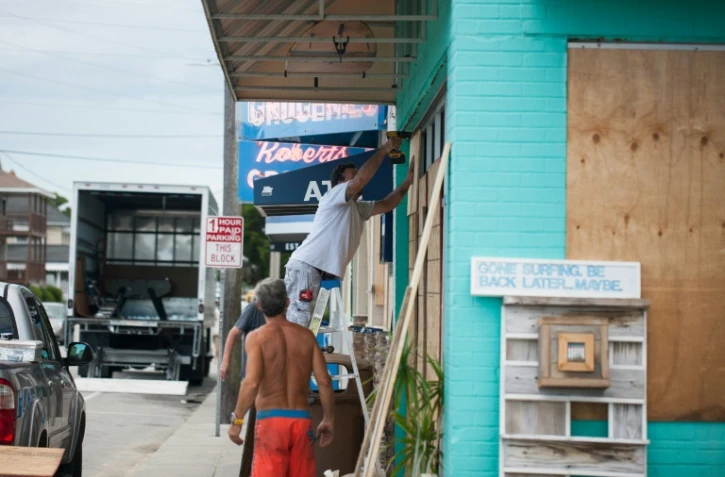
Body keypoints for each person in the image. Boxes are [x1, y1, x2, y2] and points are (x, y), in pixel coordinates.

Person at [284, 136, 414, 327]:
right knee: (299, 321)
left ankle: (301, 356)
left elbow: (387, 204)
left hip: (319, 272)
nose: (359, 179)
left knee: (307, 324)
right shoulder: (333, 196)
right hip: (306, 266)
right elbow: (361, 181)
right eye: (353, 175)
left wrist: (408, 182)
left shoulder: (357, 208)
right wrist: (385, 149)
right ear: (341, 183)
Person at [227, 278, 335, 477]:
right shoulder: (306, 337)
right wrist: (328, 419)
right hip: (301, 421)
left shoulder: (256, 338)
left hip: (271, 422)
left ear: (258, 306)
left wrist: (237, 420)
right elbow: (324, 381)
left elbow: (251, 383)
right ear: (287, 302)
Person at [219, 295, 266, 382]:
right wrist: (225, 362)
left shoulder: (285, 312)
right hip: (252, 374)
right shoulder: (253, 308)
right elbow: (233, 334)